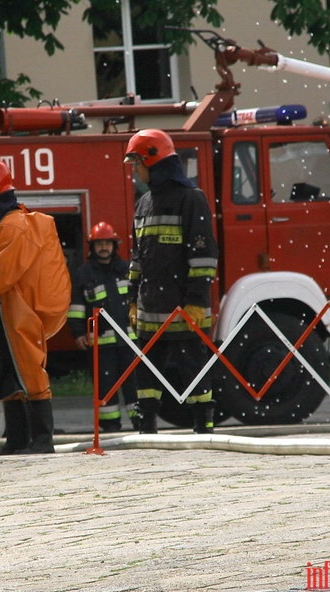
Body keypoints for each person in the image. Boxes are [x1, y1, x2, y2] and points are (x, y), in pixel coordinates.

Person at [0, 157, 71, 455]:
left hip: (18, 310)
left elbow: (1, 272)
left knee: (29, 372)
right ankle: (18, 441)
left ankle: (42, 441)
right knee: (7, 374)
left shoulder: (13, 225)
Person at [123, 129, 219, 434]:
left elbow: (203, 255)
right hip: (150, 309)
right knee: (148, 371)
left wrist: (196, 300)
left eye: (136, 163)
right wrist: (132, 301)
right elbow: (138, 258)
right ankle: (146, 423)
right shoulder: (143, 204)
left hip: (184, 308)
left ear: (154, 162)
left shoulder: (191, 199)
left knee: (194, 366)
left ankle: (203, 423)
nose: (134, 171)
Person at [68, 221, 139, 432]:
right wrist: (78, 332)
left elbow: (139, 299)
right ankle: (110, 428)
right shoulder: (84, 274)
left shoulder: (127, 269)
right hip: (100, 344)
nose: (104, 247)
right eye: (99, 244)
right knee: (105, 387)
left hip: (129, 342)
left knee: (134, 386)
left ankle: (142, 424)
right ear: (92, 247)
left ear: (114, 245)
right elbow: (77, 307)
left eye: (107, 243)